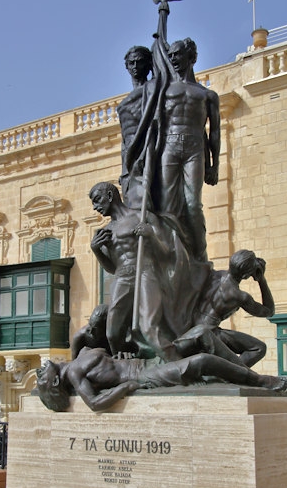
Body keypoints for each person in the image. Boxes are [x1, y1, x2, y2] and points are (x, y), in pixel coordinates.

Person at [36, 346, 287, 413]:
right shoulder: (74, 374)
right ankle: (260, 381)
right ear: (56, 383)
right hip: (144, 374)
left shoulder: (78, 355)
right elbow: (93, 403)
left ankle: (243, 376)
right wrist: (127, 386)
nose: (40, 371)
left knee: (198, 342)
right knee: (201, 361)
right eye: (40, 378)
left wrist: (121, 354)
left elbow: (108, 363)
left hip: (145, 360)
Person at [89, 181, 178, 361]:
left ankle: (179, 363)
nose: (95, 207)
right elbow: (111, 268)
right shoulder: (106, 231)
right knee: (112, 333)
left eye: (97, 200)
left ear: (110, 195)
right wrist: (96, 250)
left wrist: (151, 236)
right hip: (122, 276)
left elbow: (167, 253)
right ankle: (124, 357)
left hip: (145, 271)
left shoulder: (142, 217)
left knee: (149, 327)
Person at [152, 37, 221, 262]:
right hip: (169, 147)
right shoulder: (163, 92)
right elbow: (152, 125)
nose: (173, 59)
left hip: (194, 148)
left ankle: (199, 255)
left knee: (192, 205)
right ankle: (171, 254)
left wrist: (214, 165)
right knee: (168, 205)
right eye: (170, 55)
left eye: (177, 54)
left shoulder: (207, 95)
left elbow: (215, 133)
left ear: (191, 57)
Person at [175, 250, 275, 368]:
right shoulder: (238, 296)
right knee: (259, 348)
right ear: (246, 275)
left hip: (192, 327)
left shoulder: (212, 275)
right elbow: (269, 311)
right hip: (211, 333)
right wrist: (261, 279)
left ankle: (224, 372)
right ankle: (230, 373)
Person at [117, 46, 156, 209]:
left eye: (139, 62)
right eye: (131, 63)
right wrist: (124, 167)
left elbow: (155, 123)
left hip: (146, 151)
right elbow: (124, 139)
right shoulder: (125, 101)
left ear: (148, 65)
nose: (134, 67)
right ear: (126, 66)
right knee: (132, 204)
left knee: (144, 205)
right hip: (129, 157)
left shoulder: (153, 90)